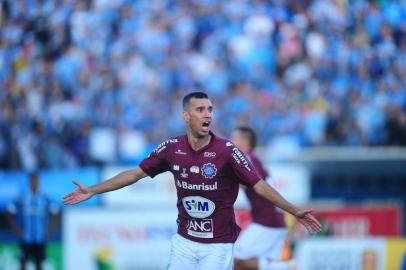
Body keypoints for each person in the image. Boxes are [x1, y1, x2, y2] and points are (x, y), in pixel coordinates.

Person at [63, 92, 322, 270]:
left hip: (218, 245)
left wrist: (295, 210)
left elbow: (260, 185)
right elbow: (135, 173)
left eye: (209, 109)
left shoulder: (228, 151)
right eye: (200, 110)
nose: (207, 114)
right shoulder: (171, 148)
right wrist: (93, 190)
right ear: (186, 116)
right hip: (184, 241)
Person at [231, 126, 293, 270]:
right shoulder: (253, 158)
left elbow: (250, 182)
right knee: (253, 263)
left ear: (245, 141)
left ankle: (289, 267)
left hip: (266, 223)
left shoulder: (246, 158)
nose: (231, 142)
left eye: (234, 138)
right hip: (274, 222)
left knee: (236, 259)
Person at [7, 172, 59, 270]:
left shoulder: (44, 198)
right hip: (25, 237)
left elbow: (56, 212)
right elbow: (10, 210)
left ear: (39, 183)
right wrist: (15, 228)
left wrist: (51, 230)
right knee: (23, 263)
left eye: (36, 181)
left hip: (39, 238)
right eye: (33, 181)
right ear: (29, 182)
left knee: (38, 264)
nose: (35, 183)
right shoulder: (22, 197)